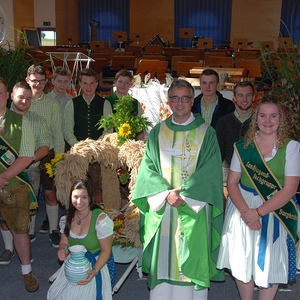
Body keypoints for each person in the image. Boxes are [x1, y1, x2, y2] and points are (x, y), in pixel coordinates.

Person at [132, 79, 224, 300]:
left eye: (185, 98)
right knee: (164, 260)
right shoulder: (157, 132)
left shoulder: (206, 133)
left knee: (192, 259)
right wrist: (166, 194)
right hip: (164, 206)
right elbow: (148, 169)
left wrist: (184, 195)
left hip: (194, 207)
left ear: (193, 101)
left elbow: (210, 170)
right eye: (175, 98)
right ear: (169, 101)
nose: (180, 103)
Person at [217, 95, 300, 300]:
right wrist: (247, 212)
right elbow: (233, 182)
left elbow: (289, 189)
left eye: (273, 116)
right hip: (243, 208)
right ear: (256, 118)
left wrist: (258, 213)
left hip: (275, 209)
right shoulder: (243, 146)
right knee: (242, 259)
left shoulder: (291, 147)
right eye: (262, 115)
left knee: (272, 263)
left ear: (281, 119)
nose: (268, 120)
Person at [0, 81, 50, 263]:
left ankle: (25, 250)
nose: (24, 101)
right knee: (4, 218)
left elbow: (44, 148)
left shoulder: (36, 120)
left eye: (28, 99)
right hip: (7, 175)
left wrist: (23, 165)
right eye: (21, 97)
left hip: (28, 172)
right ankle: (8, 247)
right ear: (11, 96)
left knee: (25, 215)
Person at [0, 78, 39, 291]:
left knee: (20, 230)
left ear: (7, 96)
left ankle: (27, 271)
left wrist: (2, 177)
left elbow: (26, 156)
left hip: (14, 184)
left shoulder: (21, 122)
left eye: (0, 93)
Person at [47, 179, 115, 300]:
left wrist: (94, 271)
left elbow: (106, 250)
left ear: (90, 197)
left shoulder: (101, 220)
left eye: (84, 197)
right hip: (73, 265)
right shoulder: (66, 218)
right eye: (75, 197)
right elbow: (64, 242)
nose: (79, 202)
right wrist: (63, 251)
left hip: (97, 264)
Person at [26, 64, 65, 247]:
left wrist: (59, 158)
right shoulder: (21, 101)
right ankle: (30, 228)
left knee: (50, 194)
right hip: (27, 154)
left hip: (49, 154)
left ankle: (53, 229)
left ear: (46, 81)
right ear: (28, 80)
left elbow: (57, 132)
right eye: (34, 81)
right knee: (31, 194)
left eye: (42, 81)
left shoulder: (51, 103)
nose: (38, 84)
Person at [216, 81, 255, 196]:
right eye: (240, 95)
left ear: (253, 97)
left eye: (248, 95)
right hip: (226, 181)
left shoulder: (261, 122)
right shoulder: (223, 122)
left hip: (253, 181)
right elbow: (218, 154)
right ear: (234, 98)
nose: (244, 99)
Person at [63, 68, 112, 147]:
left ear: (96, 84)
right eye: (85, 83)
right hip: (77, 150)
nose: (88, 87)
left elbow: (108, 131)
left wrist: (96, 146)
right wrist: (79, 146)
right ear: (80, 84)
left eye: (91, 83)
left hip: (99, 149)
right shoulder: (71, 104)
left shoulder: (105, 104)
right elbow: (67, 131)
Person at [48, 66, 73, 133]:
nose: (62, 85)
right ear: (53, 81)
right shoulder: (46, 100)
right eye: (59, 81)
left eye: (65, 82)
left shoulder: (72, 101)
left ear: (69, 82)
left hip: (67, 139)